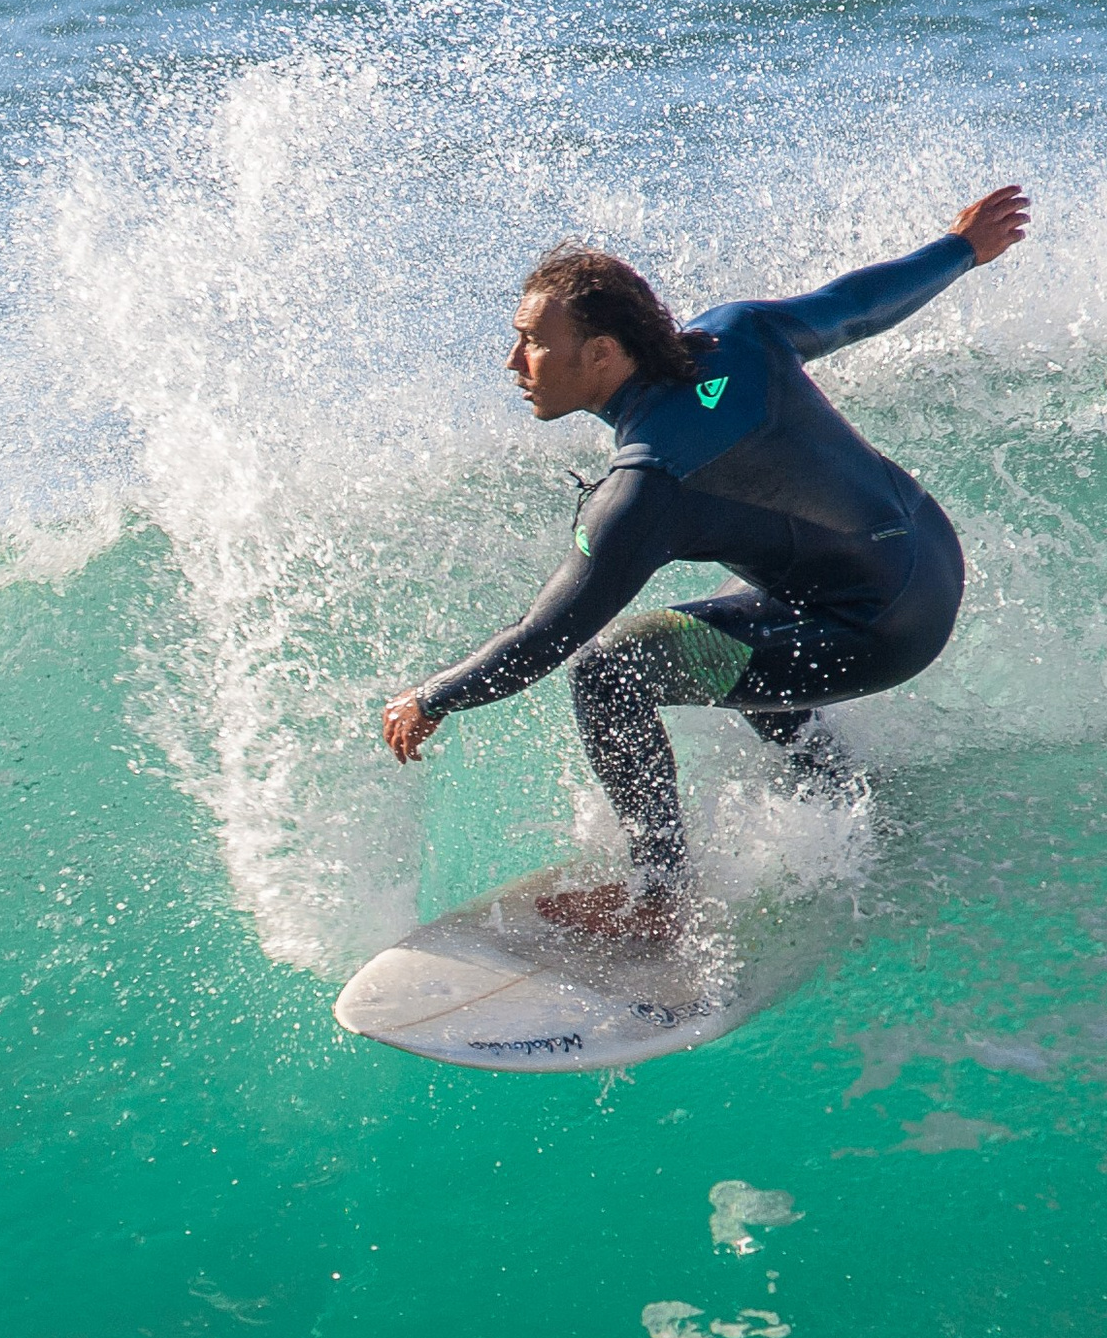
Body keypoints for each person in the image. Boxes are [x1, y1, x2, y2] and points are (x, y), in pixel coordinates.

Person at [382, 187, 1031, 940]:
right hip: (925, 553)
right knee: (729, 621)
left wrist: (431, 698)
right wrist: (960, 250)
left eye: (532, 343)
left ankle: (660, 899)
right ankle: (837, 789)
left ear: (601, 354)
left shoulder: (647, 484)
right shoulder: (735, 334)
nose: (511, 362)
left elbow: (547, 635)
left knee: (608, 671)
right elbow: (853, 306)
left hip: (879, 630)